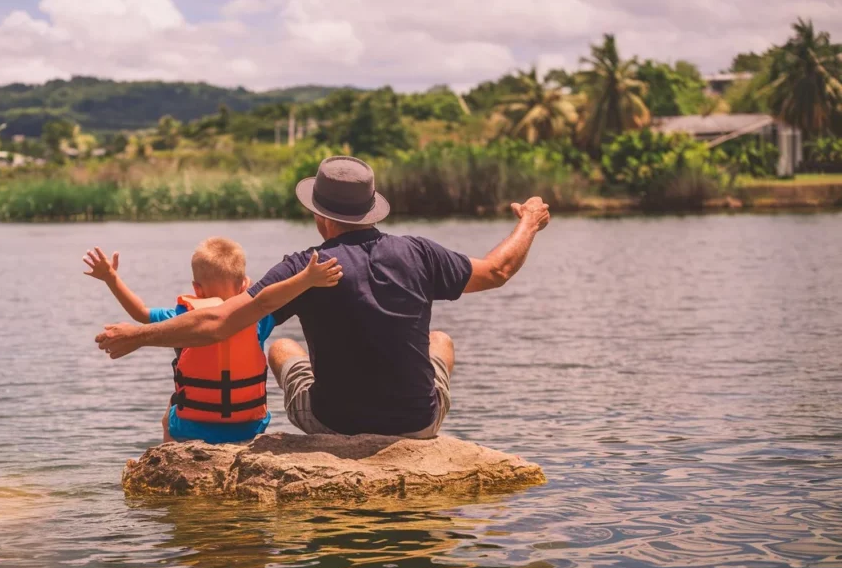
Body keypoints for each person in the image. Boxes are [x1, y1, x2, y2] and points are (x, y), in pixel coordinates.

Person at [95, 156, 550, 438]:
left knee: (282, 347)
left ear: (320, 216)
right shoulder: (419, 253)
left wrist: (140, 334)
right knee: (442, 342)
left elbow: (220, 322)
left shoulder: (304, 268)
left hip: (333, 424)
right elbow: (498, 271)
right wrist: (529, 220)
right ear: (372, 209)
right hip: (418, 425)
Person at [83, 237, 343, 444]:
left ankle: (168, 456)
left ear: (197, 289)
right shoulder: (258, 319)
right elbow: (272, 297)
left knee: (169, 410)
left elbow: (139, 313)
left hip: (191, 429)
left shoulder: (183, 315)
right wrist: (309, 279)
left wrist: (111, 277)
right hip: (249, 427)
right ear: (244, 286)